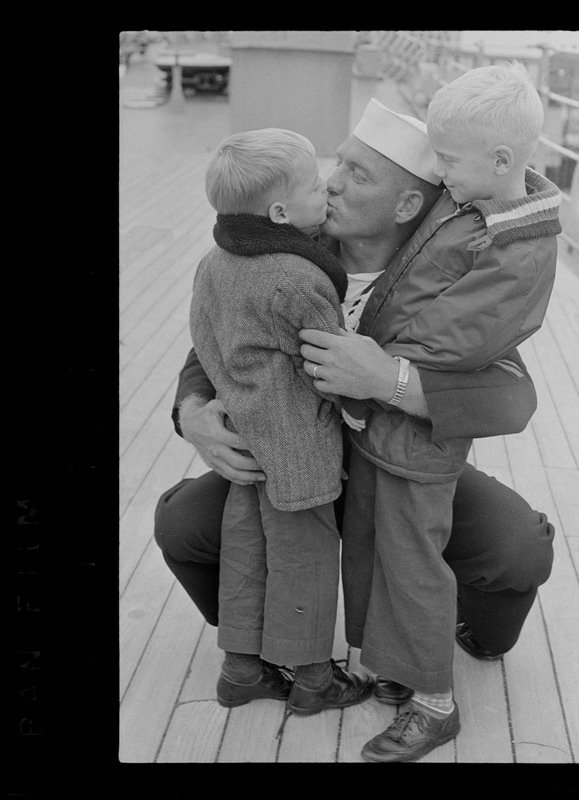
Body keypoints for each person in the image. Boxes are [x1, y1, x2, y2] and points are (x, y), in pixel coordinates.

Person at [154, 92, 555, 754]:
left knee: (518, 550)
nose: (331, 183)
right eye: (333, 165)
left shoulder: (450, 269)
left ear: (405, 205)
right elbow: (215, 341)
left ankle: (477, 633)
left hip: (395, 460)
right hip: (293, 456)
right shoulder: (286, 237)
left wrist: (388, 382)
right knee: (180, 524)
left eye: (355, 174)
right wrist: (192, 412)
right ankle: (268, 647)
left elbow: (512, 396)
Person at [299, 63, 561, 761]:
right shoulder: (467, 211)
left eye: (449, 163)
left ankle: (434, 702)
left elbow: (463, 340)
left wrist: (378, 374)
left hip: (412, 440)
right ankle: (392, 666)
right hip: (371, 432)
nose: (442, 177)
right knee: (372, 552)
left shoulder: (507, 244)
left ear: (500, 160)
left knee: (413, 562)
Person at [189, 128, 374, 714]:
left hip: (245, 436)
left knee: (248, 547)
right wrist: (358, 409)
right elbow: (330, 359)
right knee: (305, 555)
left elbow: (204, 336)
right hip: (299, 442)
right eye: (316, 184)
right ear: (279, 211)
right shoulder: (296, 278)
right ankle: (315, 679)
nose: (328, 188)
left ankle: (242, 669)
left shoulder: (214, 263)